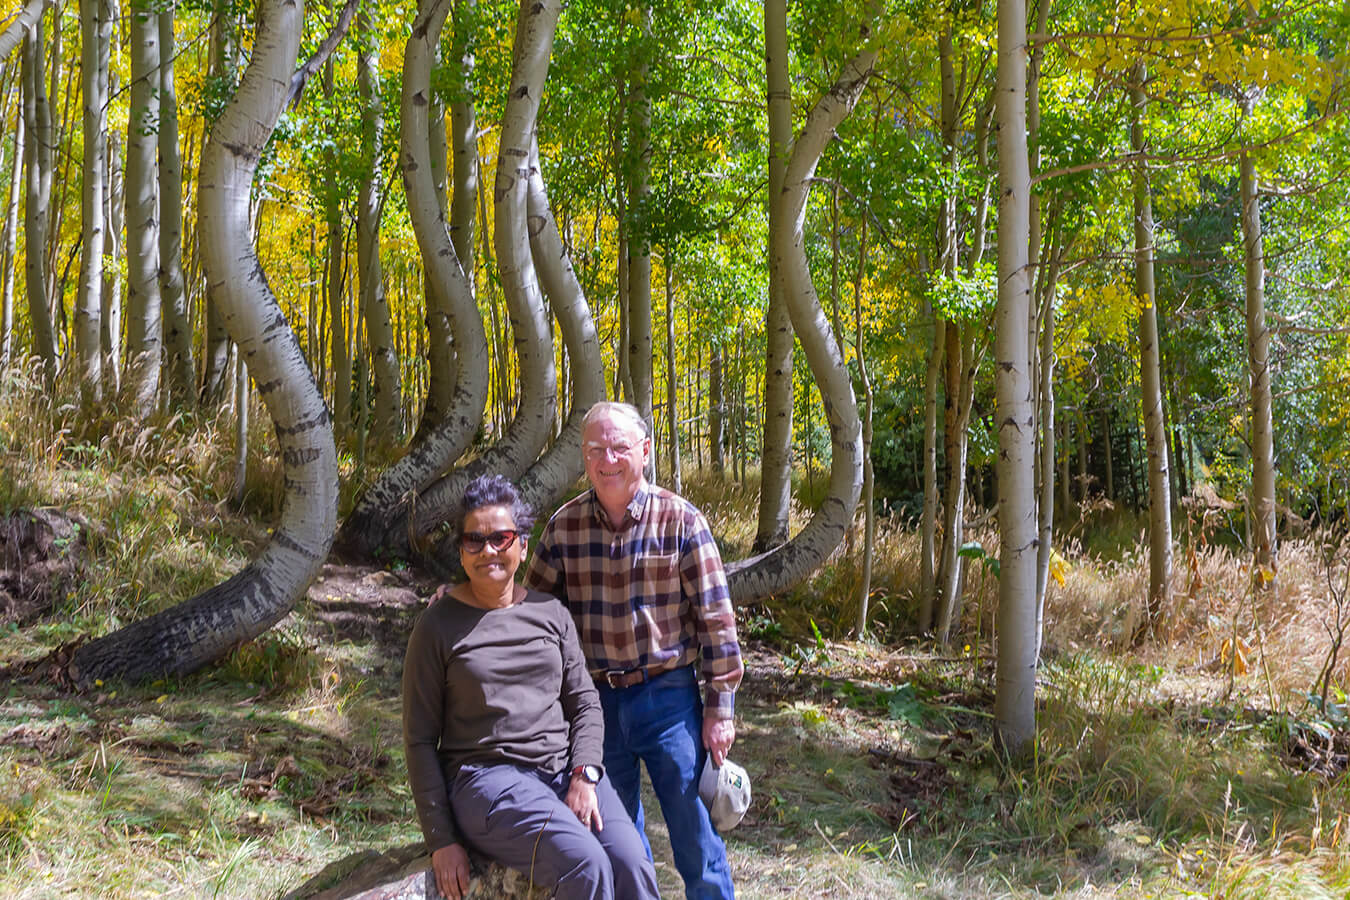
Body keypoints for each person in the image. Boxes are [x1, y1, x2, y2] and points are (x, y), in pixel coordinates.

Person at [402, 473, 660, 900]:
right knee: (585, 863)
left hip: (563, 772)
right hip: (487, 783)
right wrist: (441, 840)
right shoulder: (437, 626)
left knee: (630, 863)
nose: (488, 550)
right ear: (462, 553)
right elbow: (419, 740)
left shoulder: (550, 613)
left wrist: (584, 774)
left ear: (523, 545)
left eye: (501, 538)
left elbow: (585, 706)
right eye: (474, 540)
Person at [525, 401, 744, 900]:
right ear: (583, 457)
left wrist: (720, 711)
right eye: (595, 449)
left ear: (644, 451)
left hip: (669, 702)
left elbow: (717, 623)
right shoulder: (564, 528)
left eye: (619, 447)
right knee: (614, 843)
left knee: (696, 838)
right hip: (594, 707)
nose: (608, 460)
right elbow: (535, 616)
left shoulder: (682, 521)